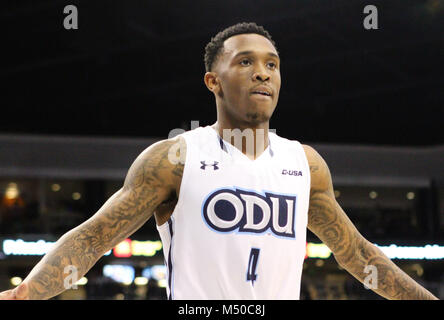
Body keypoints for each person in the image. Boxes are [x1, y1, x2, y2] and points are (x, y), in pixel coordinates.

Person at [0, 22, 438, 300]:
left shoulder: (305, 163)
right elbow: (93, 238)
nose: (263, 73)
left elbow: (358, 255)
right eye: (245, 62)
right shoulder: (175, 158)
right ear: (213, 81)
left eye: (272, 64)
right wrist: (28, 294)